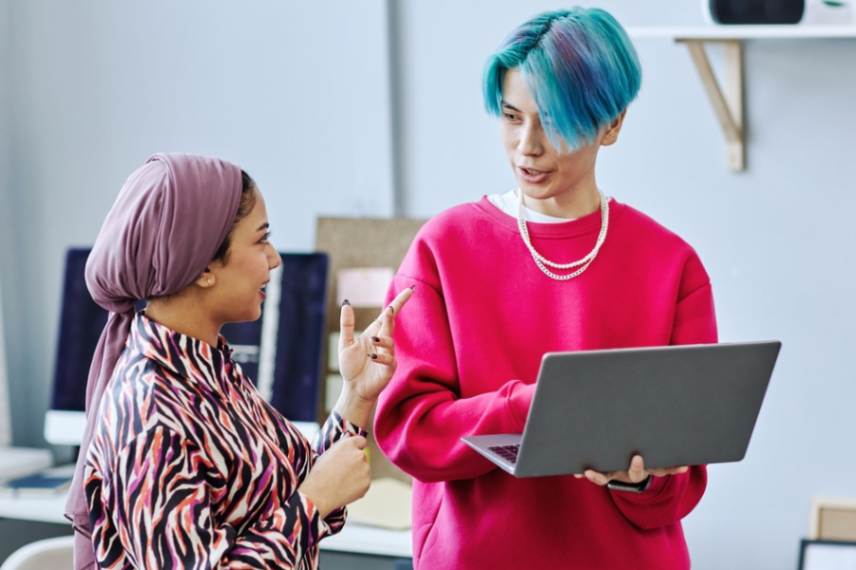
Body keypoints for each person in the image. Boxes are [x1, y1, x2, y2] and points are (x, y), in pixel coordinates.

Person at [373, 7, 717, 569]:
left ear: (612, 124)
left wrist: (639, 482)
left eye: (553, 120)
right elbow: (408, 432)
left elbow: (685, 482)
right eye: (512, 116)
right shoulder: (444, 248)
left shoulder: (671, 266)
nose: (526, 146)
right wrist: (535, 408)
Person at [64, 153, 412, 569]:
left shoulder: (208, 368)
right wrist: (313, 502)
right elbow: (312, 497)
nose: (275, 258)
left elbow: (299, 489)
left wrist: (355, 394)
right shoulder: (149, 416)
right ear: (204, 265)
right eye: (261, 239)